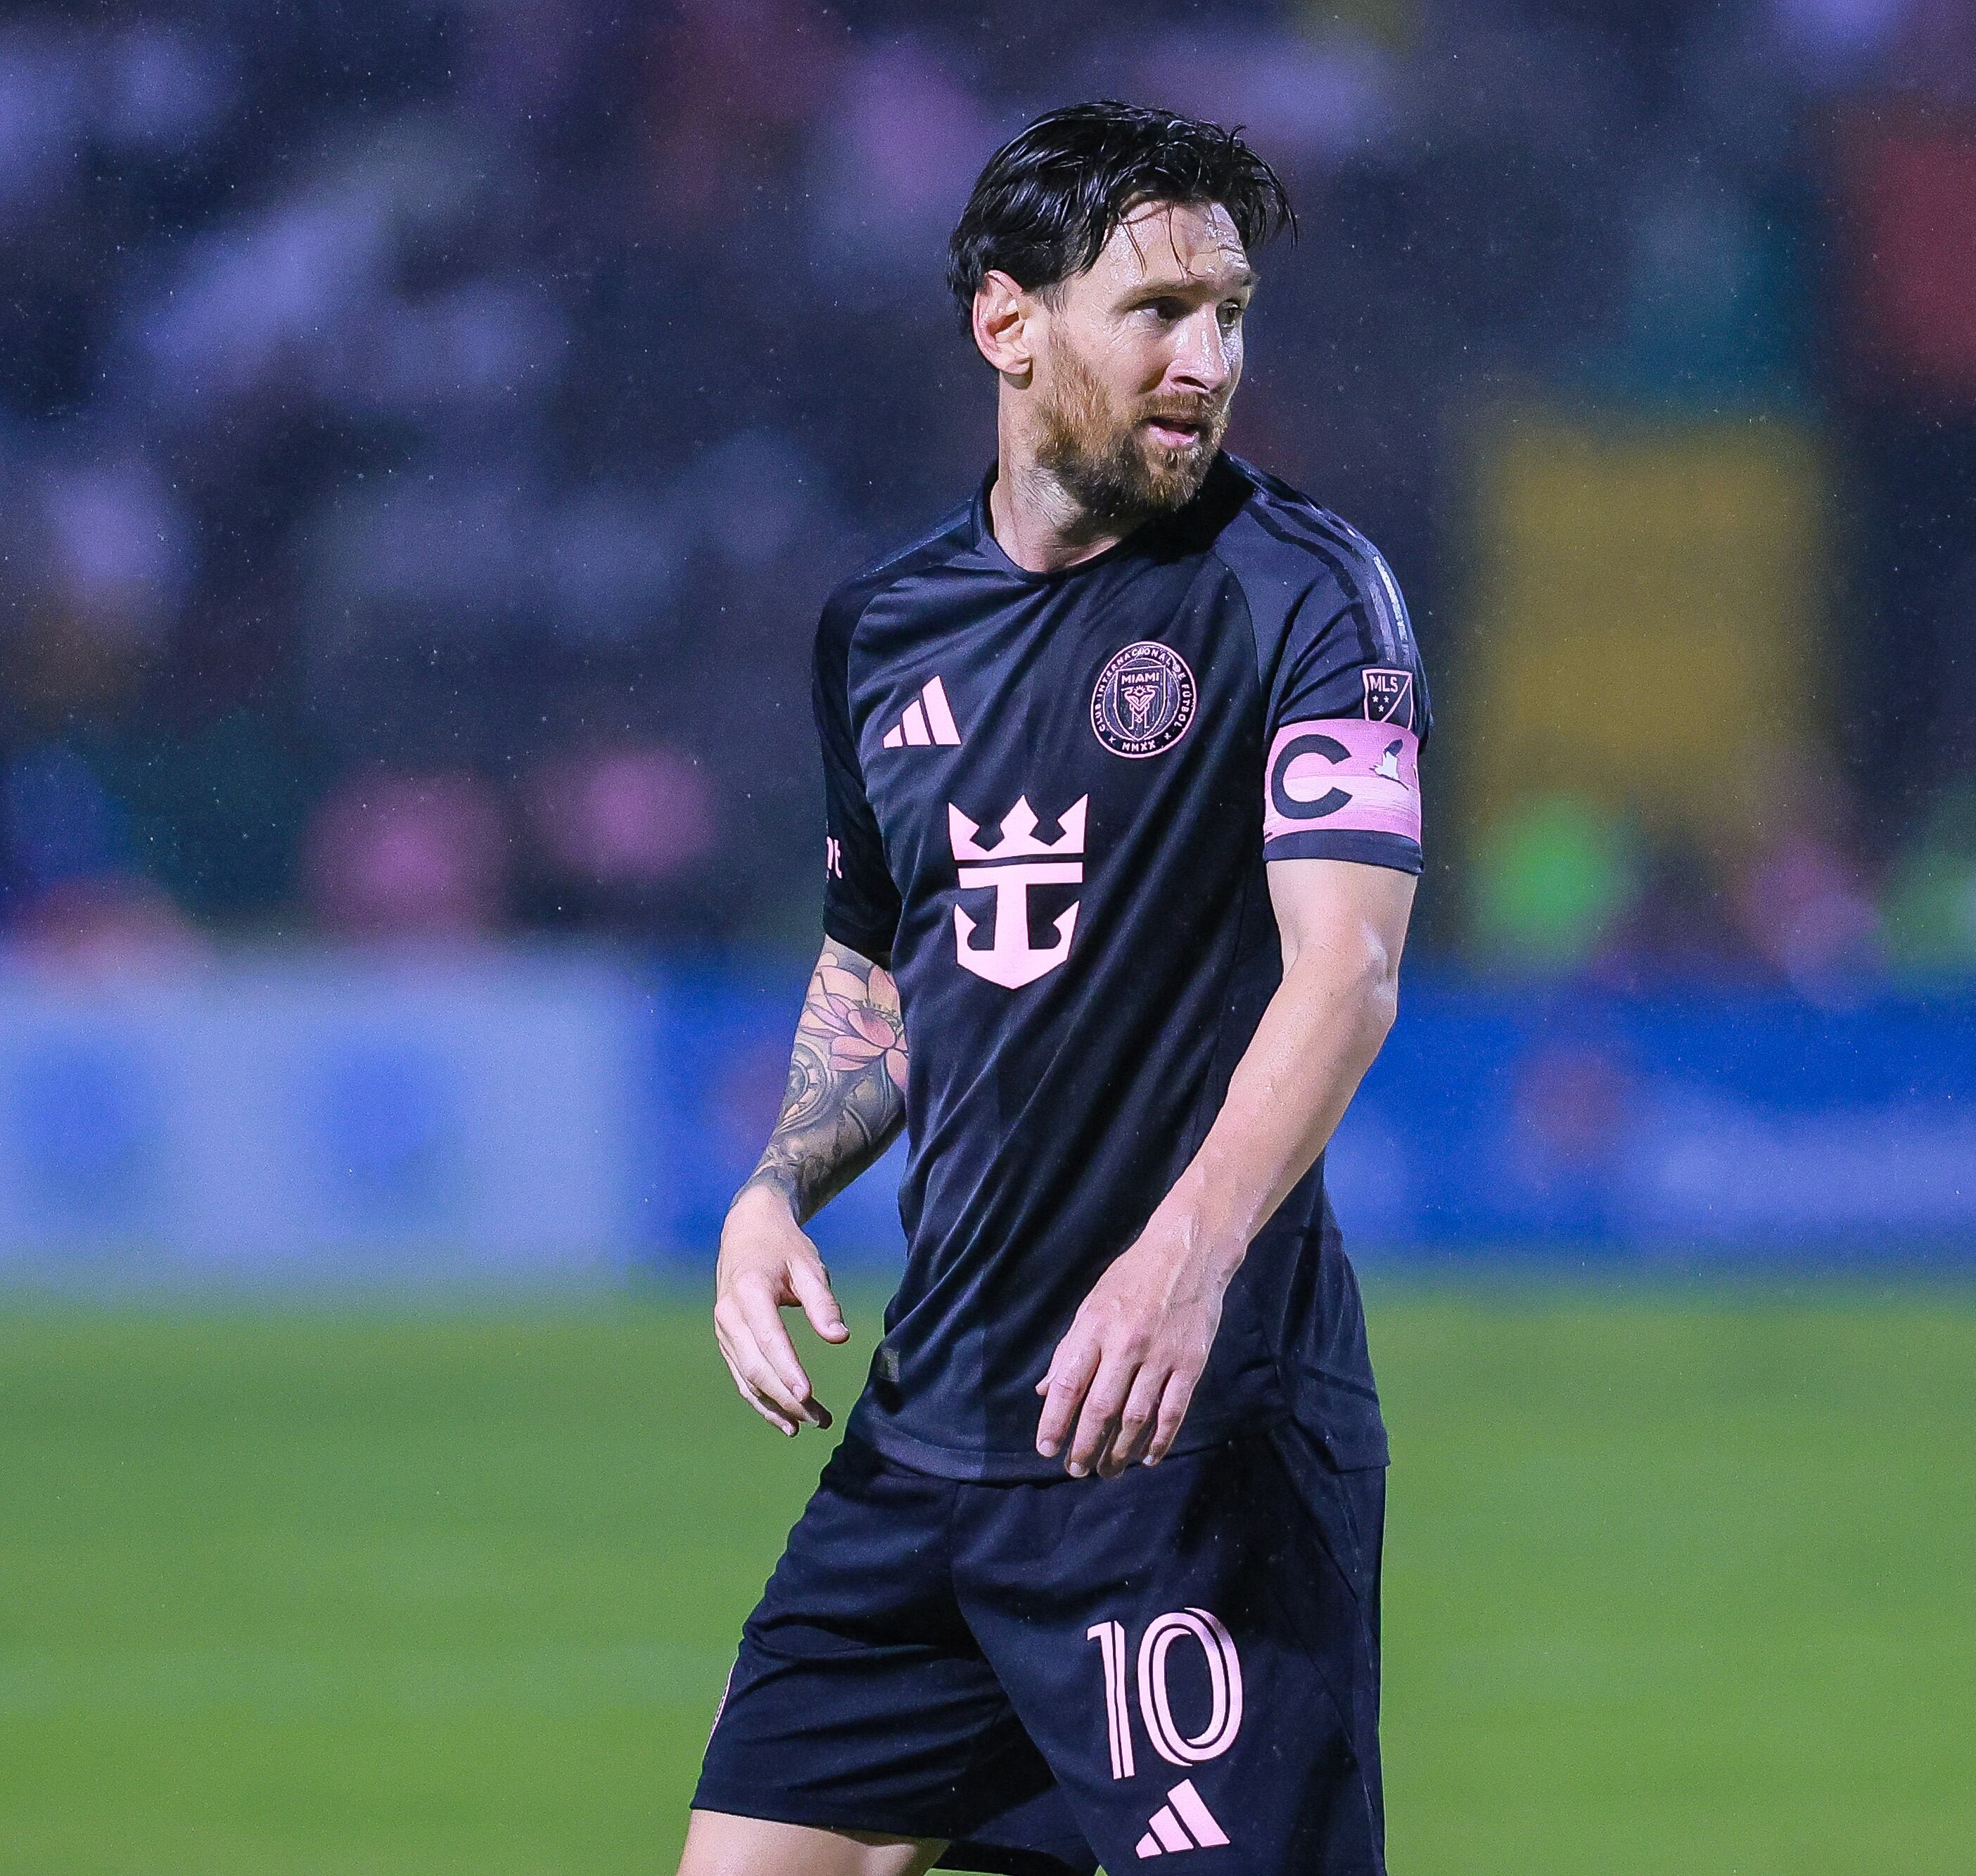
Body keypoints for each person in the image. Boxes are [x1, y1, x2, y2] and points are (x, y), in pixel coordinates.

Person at [682, 103, 1429, 1876]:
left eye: (1229, 314)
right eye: (1155, 309)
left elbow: (1349, 966)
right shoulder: (878, 630)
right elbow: (878, 964)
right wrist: (779, 1183)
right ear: (1007, 324)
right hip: (928, 1449)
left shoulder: (1304, 595)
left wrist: (1181, 1261)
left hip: (1191, 1448)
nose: (1207, 360)